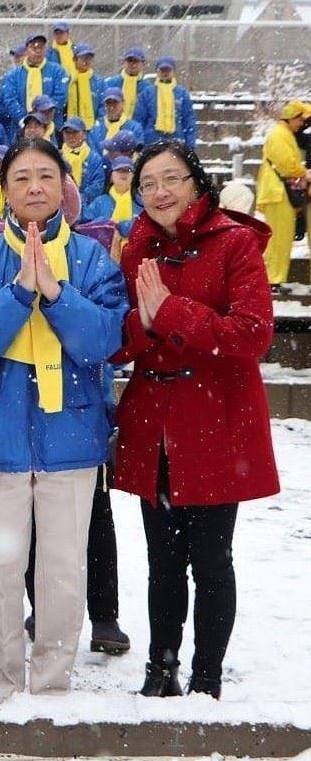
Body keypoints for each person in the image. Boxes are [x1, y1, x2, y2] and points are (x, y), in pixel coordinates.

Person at [0, 137, 128, 698]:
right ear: (4, 189)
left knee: (61, 572)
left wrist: (54, 292)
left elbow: (103, 340)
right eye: (22, 177)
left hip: (71, 434)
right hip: (0, 434)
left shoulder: (92, 259)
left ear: (64, 188)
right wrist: (19, 290)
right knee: (1, 573)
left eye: (46, 177)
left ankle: (52, 683)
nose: (34, 188)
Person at [111, 140, 280, 699]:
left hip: (215, 425)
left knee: (211, 560)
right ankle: (161, 670)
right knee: (162, 561)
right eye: (148, 184)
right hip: (155, 425)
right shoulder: (137, 249)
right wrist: (145, 322)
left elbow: (253, 335)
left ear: (197, 183)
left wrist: (173, 312)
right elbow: (123, 343)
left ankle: (207, 677)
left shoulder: (235, 244)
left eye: (171, 179)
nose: (160, 193)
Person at [256, 101, 311, 287]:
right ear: (292, 118)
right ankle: (273, 279)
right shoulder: (280, 135)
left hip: (280, 193)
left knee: (283, 238)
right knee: (278, 239)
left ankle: (276, 278)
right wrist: (304, 173)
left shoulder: (285, 134)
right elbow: (287, 164)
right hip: (277, 193)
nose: (302, 124)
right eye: (300, 120)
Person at [0, 32, 69, 140]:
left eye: (41, 47)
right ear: (26, 50)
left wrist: (44, 118)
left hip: (50, 128)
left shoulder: (57, 71)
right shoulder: (13, 75)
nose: (37, 51)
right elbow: (10, 99)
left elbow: (61, 96)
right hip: (21, 128)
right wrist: (24, 120)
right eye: (33, 47)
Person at [133, 57, 197, 150]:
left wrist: (190, 143)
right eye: (162, 70)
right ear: (157, 72)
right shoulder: (147, 93)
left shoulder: (182, 93)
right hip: (151, 142)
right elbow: (139, 119)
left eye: (168, 70)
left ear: (173, 71)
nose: (165, 73)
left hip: (176, 141)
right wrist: (139, 142)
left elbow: (188, 120)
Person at [81, 156, 143, 239]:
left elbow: (145, 227)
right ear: (111, 177)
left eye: (128, 170)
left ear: (134, 177)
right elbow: (84, 225)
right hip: (104, 251)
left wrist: (119, 225)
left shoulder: (141, 201)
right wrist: (103, 223)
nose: (123, 173)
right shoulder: (100, 202)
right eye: (118, 170)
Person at [60, 117, 106, 206]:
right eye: (67, 132)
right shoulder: (57, 155)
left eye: (75, 132)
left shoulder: (95, 159)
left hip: (86, 206)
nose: (70, 136)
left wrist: (78, 199)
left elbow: (97, 185)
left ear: (84, 134)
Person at [87, 88, 145, 153]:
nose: (111, 107)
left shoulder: (134, 127)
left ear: (123, 103)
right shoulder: (96, 128)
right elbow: (93, 153)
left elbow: (136, 153)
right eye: (108, 103)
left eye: (115, 102)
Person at [65, 43, 104, 130]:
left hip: (92, 129)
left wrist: (98, 125)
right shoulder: (68, 80)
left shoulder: (98, 82)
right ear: (74, 59)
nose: (86, 61)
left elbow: (103, 106)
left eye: (89, 58)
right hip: (70, 129)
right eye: (83, 58)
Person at [105, 47, 150, 121]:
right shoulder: (110, 83)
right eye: (129, 61)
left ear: (143, 64)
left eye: (136, 61)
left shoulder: (147, 88)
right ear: (123, 63)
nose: (132, 64)